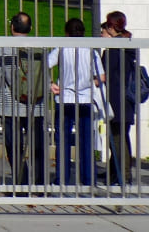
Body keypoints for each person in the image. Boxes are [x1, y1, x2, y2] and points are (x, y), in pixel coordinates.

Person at [0, 11, 48, 189]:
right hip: (36, 106)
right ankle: (39, 185)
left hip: (10, 106)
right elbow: (44, 76)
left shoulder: (4, 48)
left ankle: (21, 183)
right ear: (30, 28)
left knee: (14, 146)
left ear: (12, 27)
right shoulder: (39, 47)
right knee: (37, 146)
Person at [48, 16, 104, 188]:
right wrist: (90, 83)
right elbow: (101, 77)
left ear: (66, 32)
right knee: (86, 141)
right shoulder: (90, 50)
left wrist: (51, 84)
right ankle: (89, 180)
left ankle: (62, 180)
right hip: (85, 99)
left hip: (64, 98)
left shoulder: (61, 48)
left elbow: (46, 65)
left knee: (62, 141)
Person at [101, 11, 138, 187]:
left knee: (117, 139)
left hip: (117, 100)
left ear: (110, 28)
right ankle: (117, 172)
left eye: (104, 29)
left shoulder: (114, 50)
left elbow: (107, 74)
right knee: (121, 137)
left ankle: (122, 176)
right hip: (126, 100)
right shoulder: (127, 45)